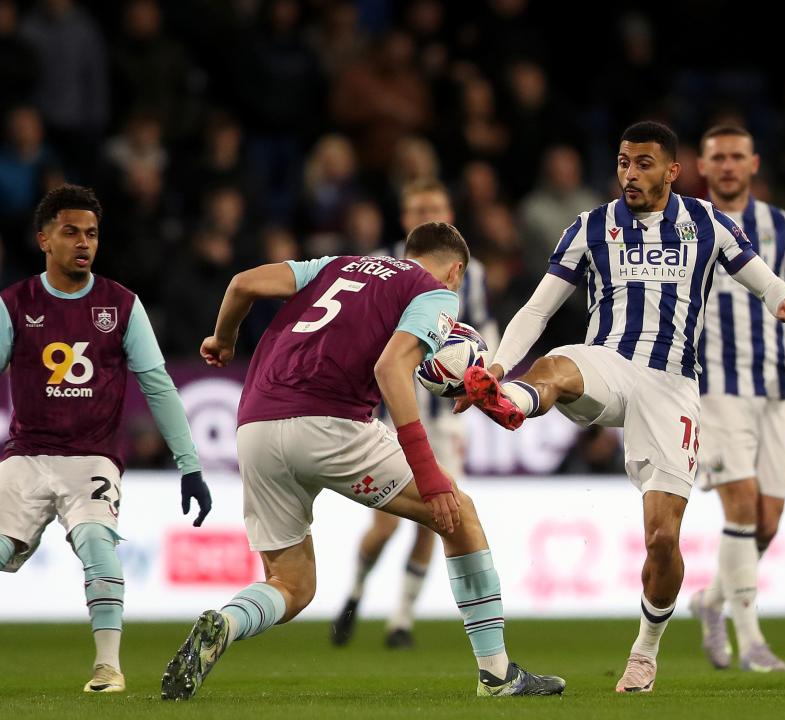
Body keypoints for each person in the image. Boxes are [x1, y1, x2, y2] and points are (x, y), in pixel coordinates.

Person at [458, 121, 785, 693]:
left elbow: (760, 277)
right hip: (609, 363)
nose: (630, 173)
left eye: (644, 163)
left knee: (662, 540)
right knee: (553, 366)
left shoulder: (706, 223)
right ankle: (512, 399)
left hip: (671, 386)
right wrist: (498, 366)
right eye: (624, 162)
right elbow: (537, 308)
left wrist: (784, 300)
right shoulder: (591, 227)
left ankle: (645, 650)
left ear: (673, 171)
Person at [160, 222, 563, 700]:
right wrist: (430, 475)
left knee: (291, 584)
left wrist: (223, 339)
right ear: (455, 271)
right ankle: (497, 676)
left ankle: (226, 623)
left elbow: (242, 283)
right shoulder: (434, 292)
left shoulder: (335, 265)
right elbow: (390, 368)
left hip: (255, 424)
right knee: (460, 516)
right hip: (332, 423)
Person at [0, 184, 211, 693]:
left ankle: (108, 668)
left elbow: (158, 385)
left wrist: (191, 464)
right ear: (43, 239)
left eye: (91, 233)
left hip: (91, 458)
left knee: (98, 542)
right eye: (70, 231)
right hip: (25, 456)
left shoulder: (121, 305)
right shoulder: (14, 304)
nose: (84, 242)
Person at [331, 179, 498, 649]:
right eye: (419, 207)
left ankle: (401, 618)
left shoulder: (472, 275)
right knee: (384, 525)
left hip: (444, 420)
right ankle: (355, 593)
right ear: (405, 219)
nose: (429, 213)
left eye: (437, 206)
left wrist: (480, 377)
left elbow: (484, 336)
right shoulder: (379, 267)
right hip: (386, 413)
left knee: (440, 513)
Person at [687, 125, 785, 672]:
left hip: (774, 390)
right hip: (713, 387)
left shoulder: (782, 227)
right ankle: (752, 641)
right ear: (702, 165)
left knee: (765, 525)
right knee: (741, 506)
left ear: (753, 164)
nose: (726, 165)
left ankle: (710, 601)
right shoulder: (685, 225)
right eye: (717, 157)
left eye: (736, 157)